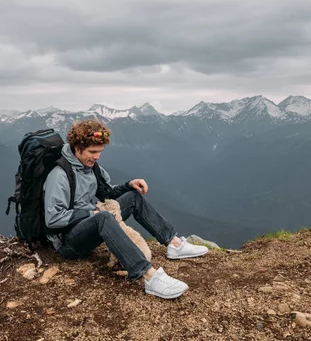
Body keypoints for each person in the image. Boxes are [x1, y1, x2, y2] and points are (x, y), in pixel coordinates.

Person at [43, 119, 208, 299]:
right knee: (104, 217)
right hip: (68, 242)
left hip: (88, 225)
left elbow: (107, 193)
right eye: (92, 152)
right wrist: (92, 213)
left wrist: (129, 185)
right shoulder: (59, 176)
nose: (97, 156)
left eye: (100, 152)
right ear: (77, 148)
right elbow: (53, 218)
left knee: (133, 196)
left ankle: (173, 243)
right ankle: (149, 276)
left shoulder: (90, 167)